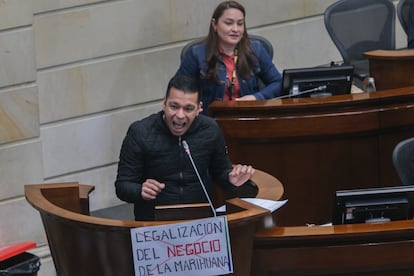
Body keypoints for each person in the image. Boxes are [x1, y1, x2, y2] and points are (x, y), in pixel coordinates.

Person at [115, 74, 255, 220]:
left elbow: (220, 171)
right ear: (164, 103)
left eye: (188, 108)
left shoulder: (210, 130)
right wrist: (140, 190)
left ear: (199, 108)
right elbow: (122, 186)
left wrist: (231, 179)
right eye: (174, 106)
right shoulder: (140, 132)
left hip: (198, 222)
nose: (180, 115)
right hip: (153, 223)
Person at [176, 0, 282, 113]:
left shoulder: (256, 49)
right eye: (229, 23)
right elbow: (178, 89)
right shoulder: (196, 54)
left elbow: (278, 83)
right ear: (214, 24)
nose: (235, 29)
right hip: (210, 122)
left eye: (240, 24)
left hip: (248, 117)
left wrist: (256, 97)